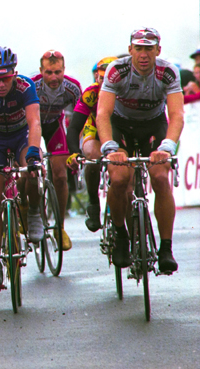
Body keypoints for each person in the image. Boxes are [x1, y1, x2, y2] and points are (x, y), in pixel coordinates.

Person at [97, 27, 184, 273]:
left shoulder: (168, 72)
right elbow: (103, 114)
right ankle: (121, 234)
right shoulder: (117, 70)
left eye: (149, 49)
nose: (143, 55)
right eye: (139, 48)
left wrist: (167, 146)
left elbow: (176, 114)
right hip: (120, 125)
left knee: (159, 175)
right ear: (130, 50)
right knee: (120, 177)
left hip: (153, 126)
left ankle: (165, 248)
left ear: (158, 50)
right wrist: (109, 148)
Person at [0, 47, 41, 291]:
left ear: (15, 73)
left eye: (5, 78)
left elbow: (34, 122)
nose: (1, 84)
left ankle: (33, 211)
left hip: (21, 136)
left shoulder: (26, 86)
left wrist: (33, 152)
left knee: (32, 172)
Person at [31, 50, 81, 251]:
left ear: (64, 70)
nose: (53, 77)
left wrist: (76, 149)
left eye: (58, 72)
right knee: (29, 173)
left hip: (54, 125)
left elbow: (78, 120)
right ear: (41, 70)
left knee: (60, 175)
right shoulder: (31, 86)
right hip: (30, 125)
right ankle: (31, 210)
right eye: (49, 72)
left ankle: (60, 227)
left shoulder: (73, 88)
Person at [66, 56, 117, 231]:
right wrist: (74, 152)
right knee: (93, 156)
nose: (106, 84)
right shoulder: (91, 93)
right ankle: (93, 202)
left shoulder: (127, 91)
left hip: (120, 132)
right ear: (97, 78)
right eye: (102, 79)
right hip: (95, 129)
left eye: (111, 79)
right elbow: (73, 128)